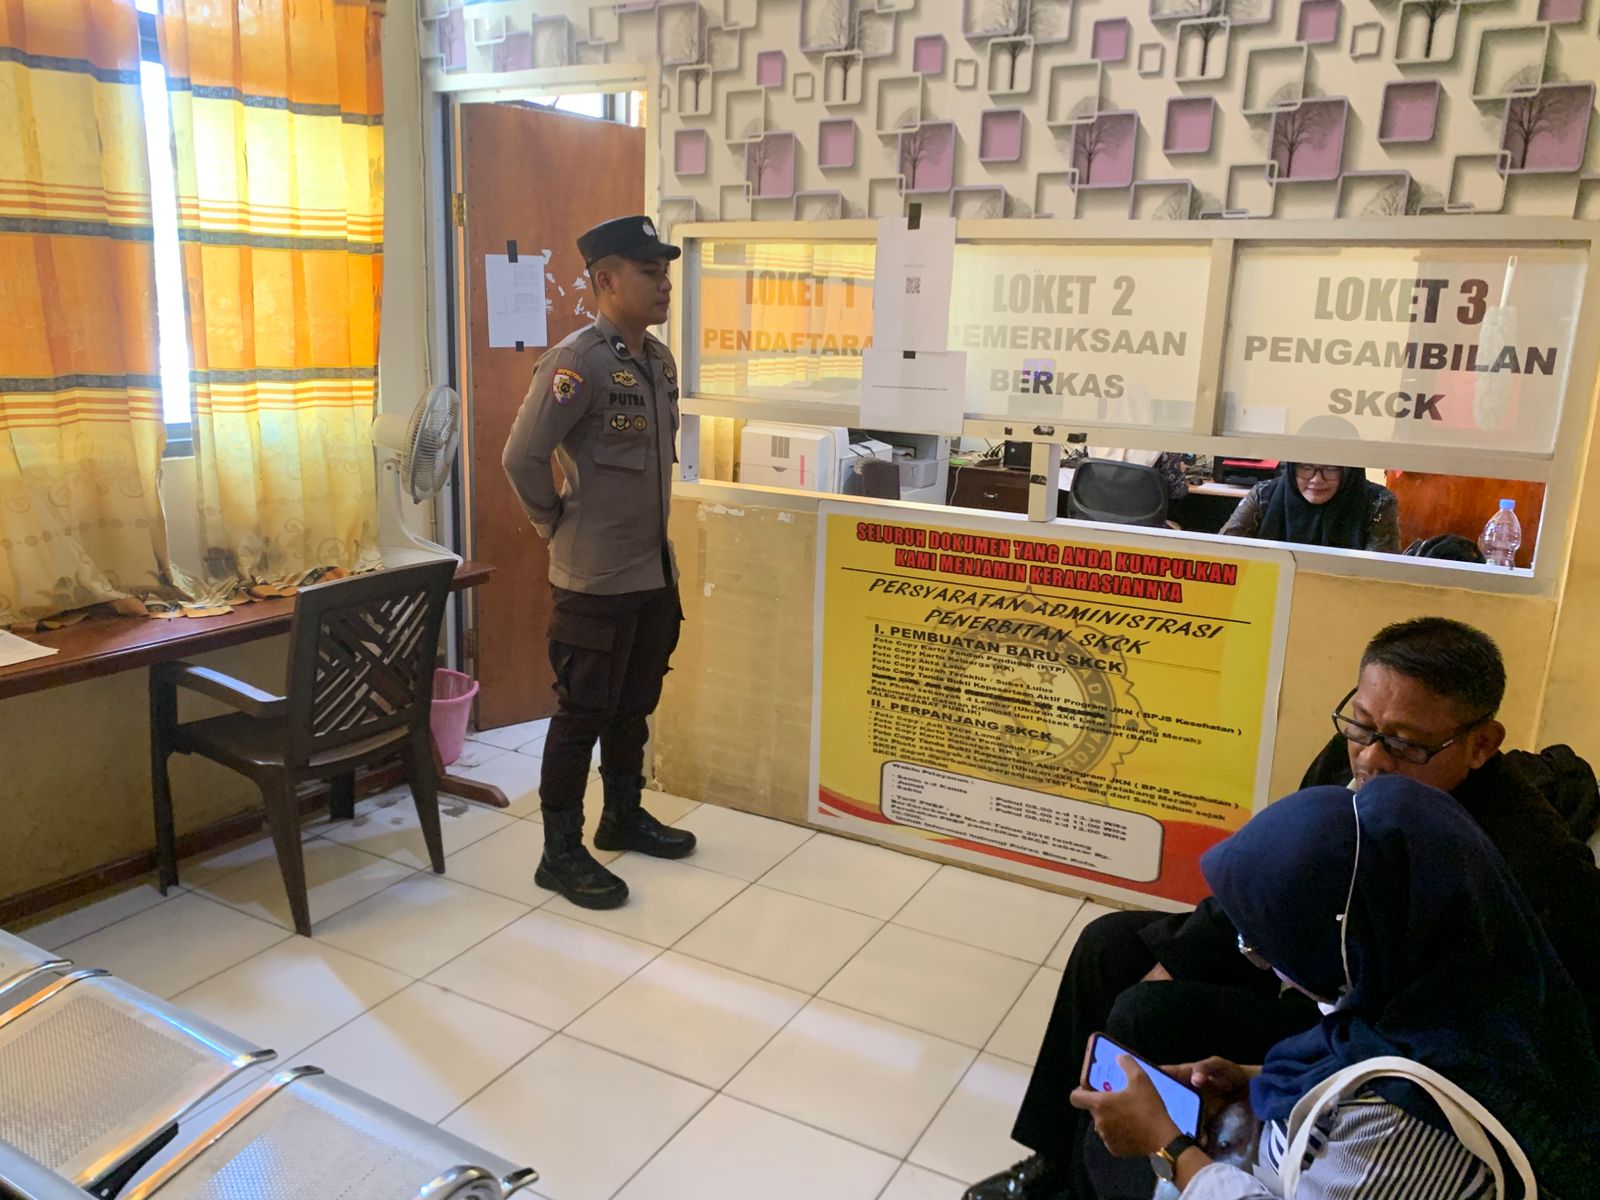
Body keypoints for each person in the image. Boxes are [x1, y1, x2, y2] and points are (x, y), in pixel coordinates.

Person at [965, 617, 1600, 1200]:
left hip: (1376, 1018)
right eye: (1361, 726)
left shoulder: (1538, 865)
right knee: (1109, 946)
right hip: (1322, 974)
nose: (1370, 757)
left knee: (1145, 1013)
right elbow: (1280, 880)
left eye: (1405, 744)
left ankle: (1105, 1172)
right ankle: (1056, 1156)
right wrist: (1181, 960)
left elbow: (1521, 1041)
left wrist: (1178, 1144)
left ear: (1482, 743)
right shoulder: (1357, 758)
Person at [1069, 778, 1600, 1199]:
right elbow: (1346, 1068)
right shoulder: (1445, 989)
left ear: (1348, 945)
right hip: (1301, 1157)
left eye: (1261, 946)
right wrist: (1250, 1080)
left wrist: (1169, 1148)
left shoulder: (1402, 1124)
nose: (1260, 960)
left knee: (1112, 1157)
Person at [502, 215, 697, 910]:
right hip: (595, 580)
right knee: (580, 714)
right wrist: (550, 522)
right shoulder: (575, 362)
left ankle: (622, 815)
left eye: (665, 271)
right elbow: (522, 458)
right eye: (650, 272)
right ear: (606, 280)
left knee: (634, 705)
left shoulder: (659, 362)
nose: (664, 284)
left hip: (651, 572)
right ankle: (559, 853)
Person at [1219, 464, 1400, 553]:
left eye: (1330, 468)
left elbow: (1380, 578)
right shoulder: (1264, 495)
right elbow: (1223, 551)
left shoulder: (1377, 502)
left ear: (1348, 470)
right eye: (1306, 467)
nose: (1316, 479)